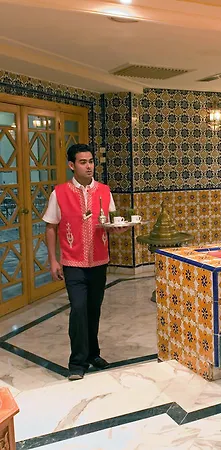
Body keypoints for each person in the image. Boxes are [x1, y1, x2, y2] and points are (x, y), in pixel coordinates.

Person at [43, 143, 123, 381]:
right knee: (78, 309)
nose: (89, 166)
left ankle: (93, 354)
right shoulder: (59, 193)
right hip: (73, 263)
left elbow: (110, 223)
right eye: (83, 162)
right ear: (71, 165)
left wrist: (117, 229)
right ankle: (77, 362)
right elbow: (50, 227)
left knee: (93, 309)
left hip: (99, 261)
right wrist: (53, 260)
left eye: (91, 161)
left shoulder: (104, 191)